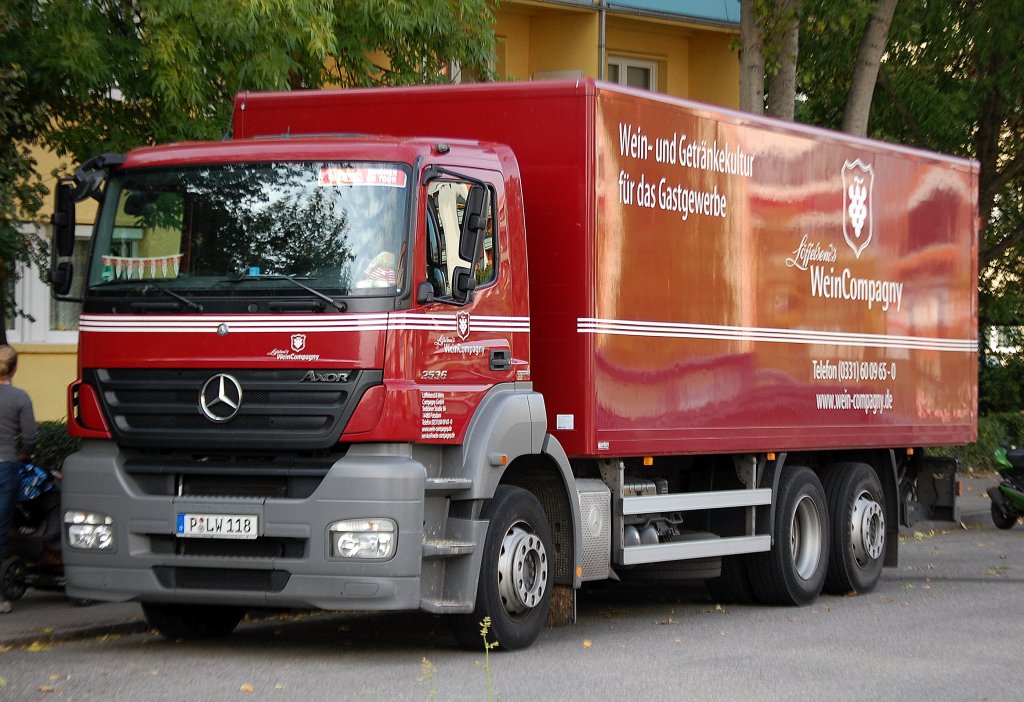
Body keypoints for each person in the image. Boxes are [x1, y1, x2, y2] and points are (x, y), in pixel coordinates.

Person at [0, 345, 37, 613]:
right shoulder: (20, 398)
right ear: (14, 368)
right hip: (5, 466)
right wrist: (25, 453)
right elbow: (31, 438)